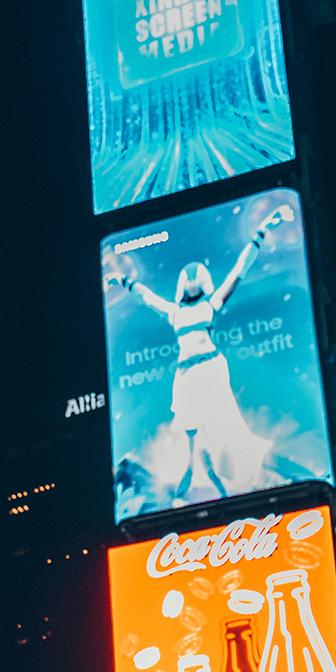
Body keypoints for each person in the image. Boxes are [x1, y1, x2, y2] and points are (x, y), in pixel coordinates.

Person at [106, 203, 294, 505]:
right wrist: (124, 280)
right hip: (186, 373)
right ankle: (198, 478)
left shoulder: (211, 304)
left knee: (222, 422)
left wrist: (264, 229)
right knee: (192, 431)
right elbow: (149, 298)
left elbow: (239, 270)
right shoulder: (175, 312)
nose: (192, 281)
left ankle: (230, 476)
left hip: (210, 367)